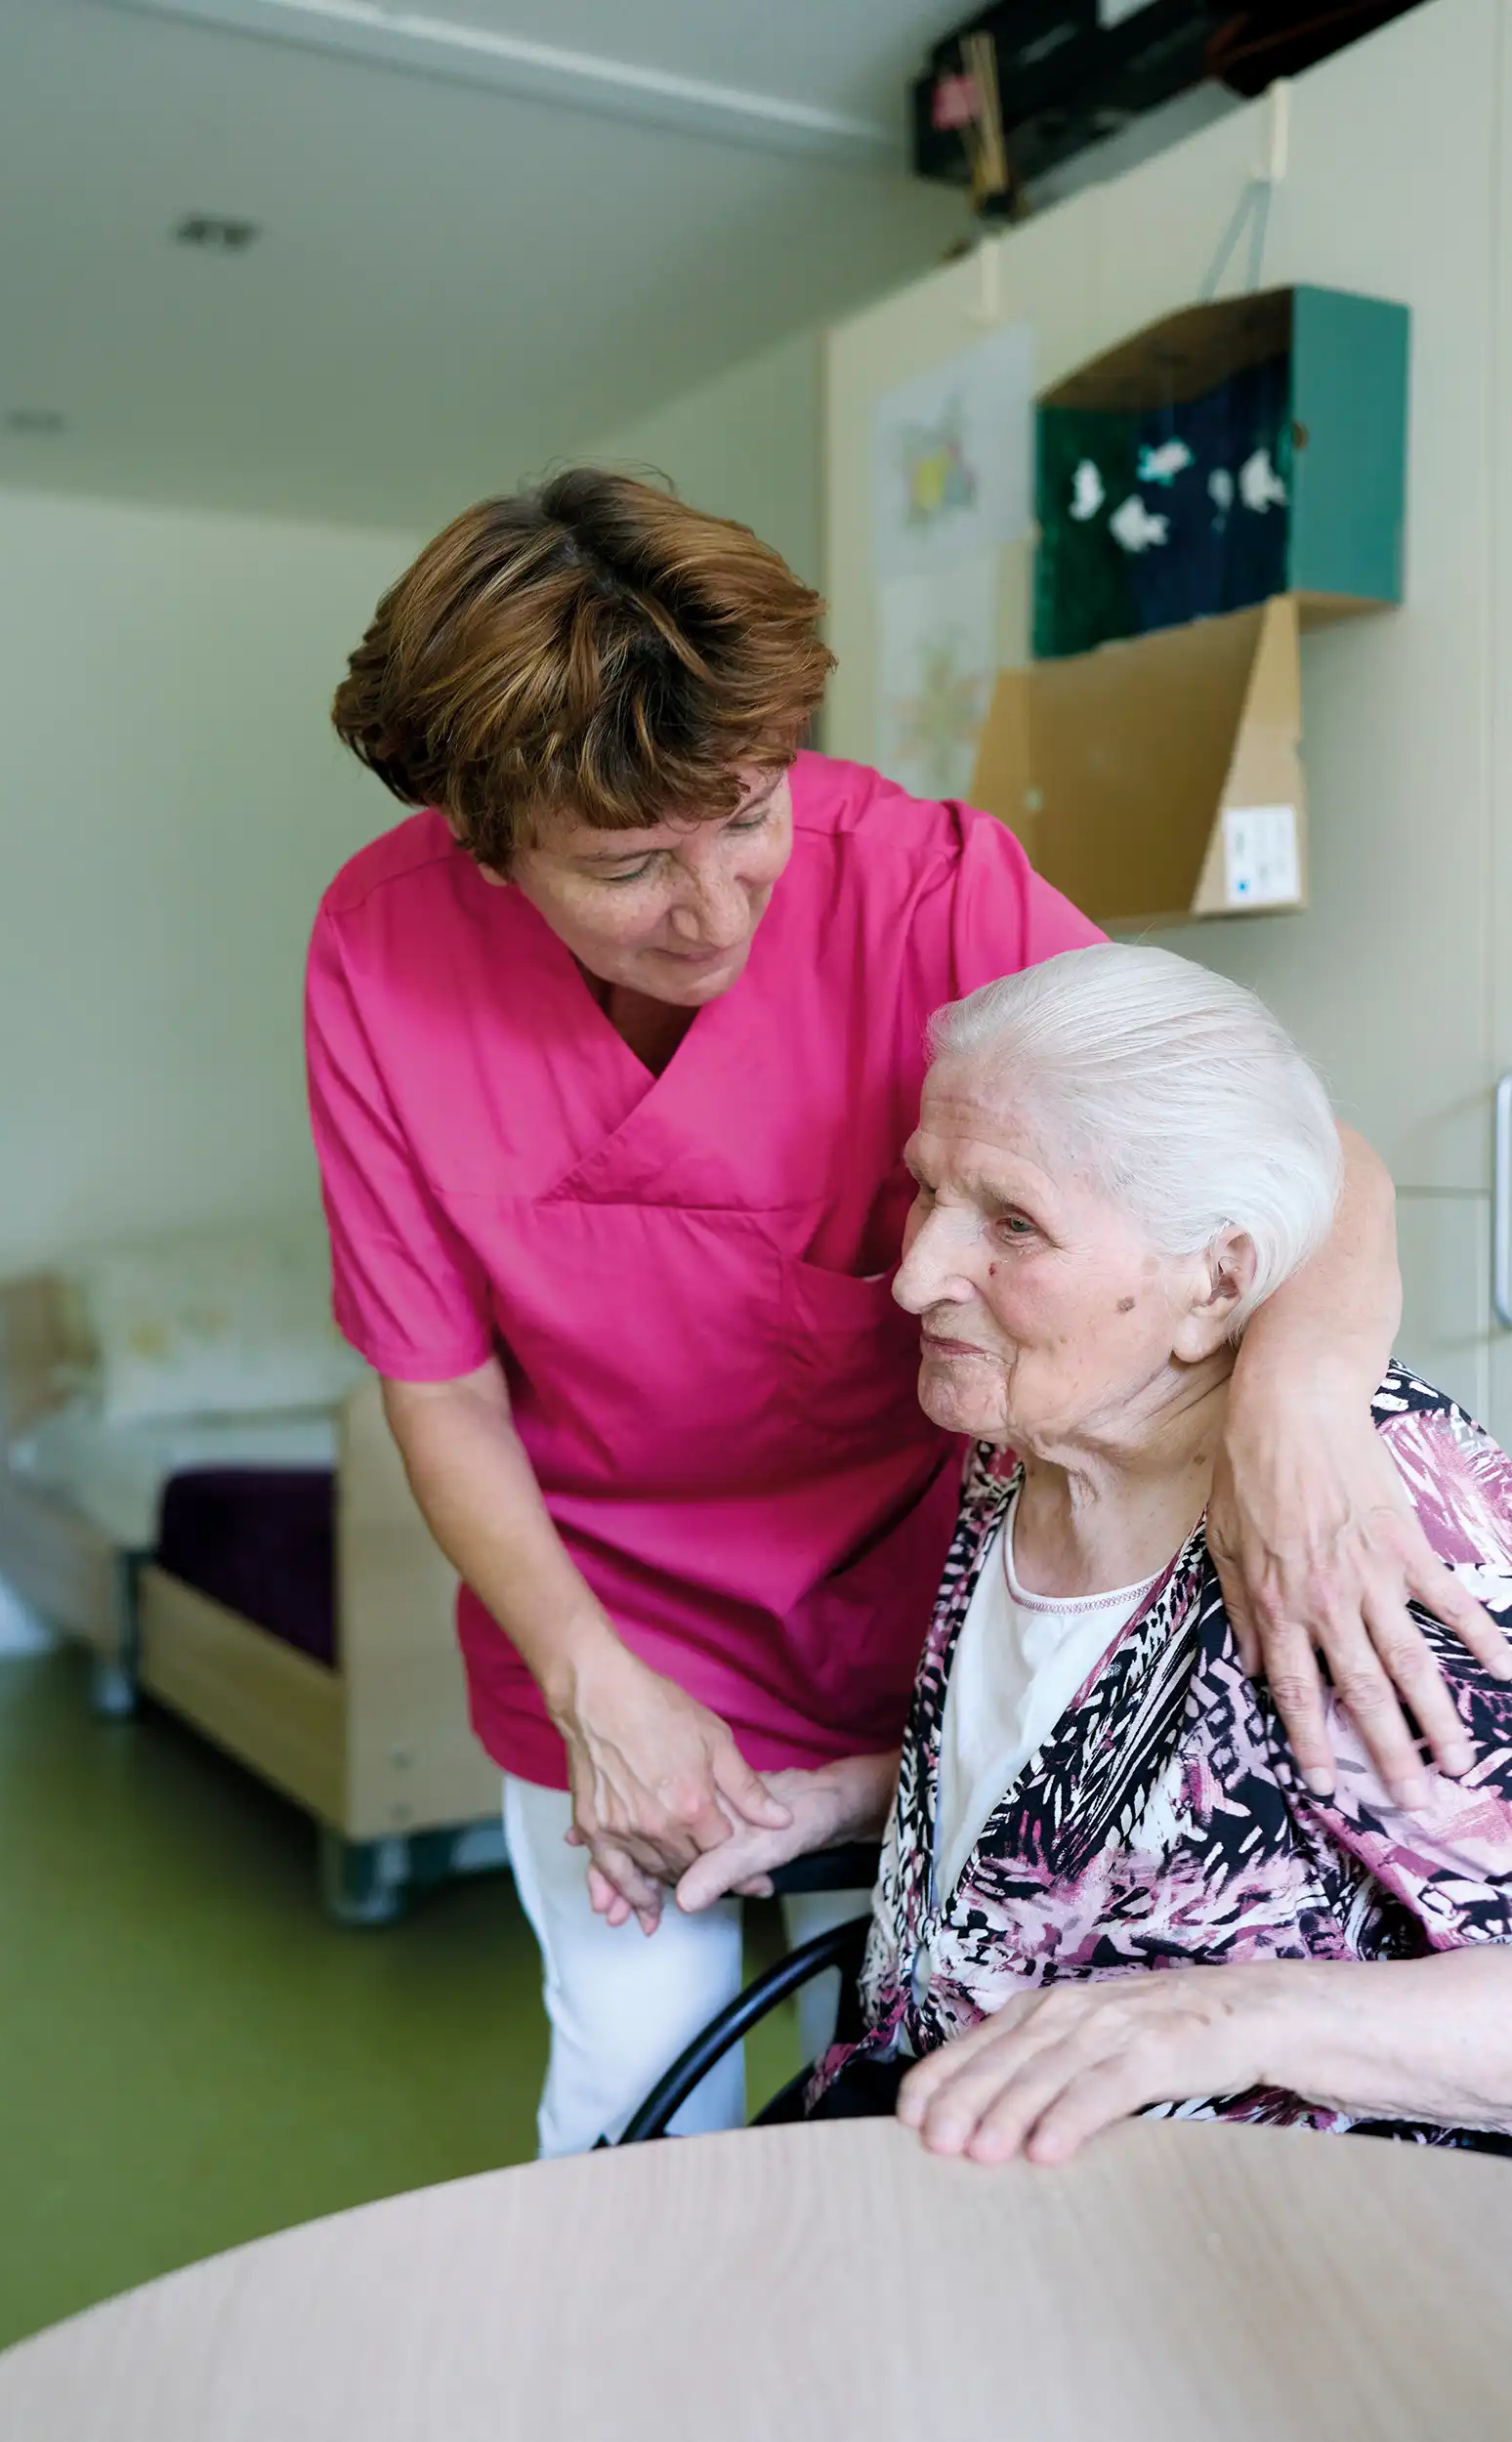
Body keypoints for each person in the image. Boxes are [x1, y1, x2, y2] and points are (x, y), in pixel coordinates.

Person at [306, 469, 1497, 2156]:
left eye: (744, 814)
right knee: (634, 2085)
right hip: (608, 1623)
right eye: (631, 863)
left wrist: (1298, 1422)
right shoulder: (379, 949)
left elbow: (1284, 1161)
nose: (713, 906)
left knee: (928, 2060)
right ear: (481, 845)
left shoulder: (923, 884)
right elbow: (434, 1383)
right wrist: (594, 1686)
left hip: (925, 1609)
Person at [676, 946, 1512, 2160]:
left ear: (1217, 1281)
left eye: (1013, 1222)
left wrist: (1228, 2017)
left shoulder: (1382, 1518)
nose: (913, 1277)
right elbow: (1107, 1791)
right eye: (928, 1192)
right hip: (946, 2159)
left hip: (1246, 2258)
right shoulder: (1032, 1440)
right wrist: (854, 1799)